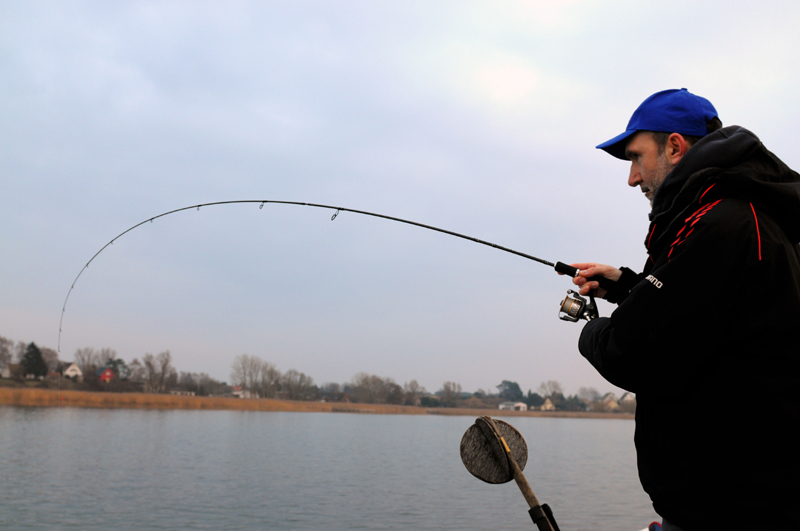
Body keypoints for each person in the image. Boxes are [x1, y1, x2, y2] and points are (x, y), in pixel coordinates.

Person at [572, 89, 800, 530]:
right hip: (757, 496)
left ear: (675, 147)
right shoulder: (751, 214)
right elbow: (708, 314)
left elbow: (632, 351)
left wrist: (590, 327)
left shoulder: (720, 222)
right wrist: (628, 287)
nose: (632, 178)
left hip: (732, 507)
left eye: (637, 158)